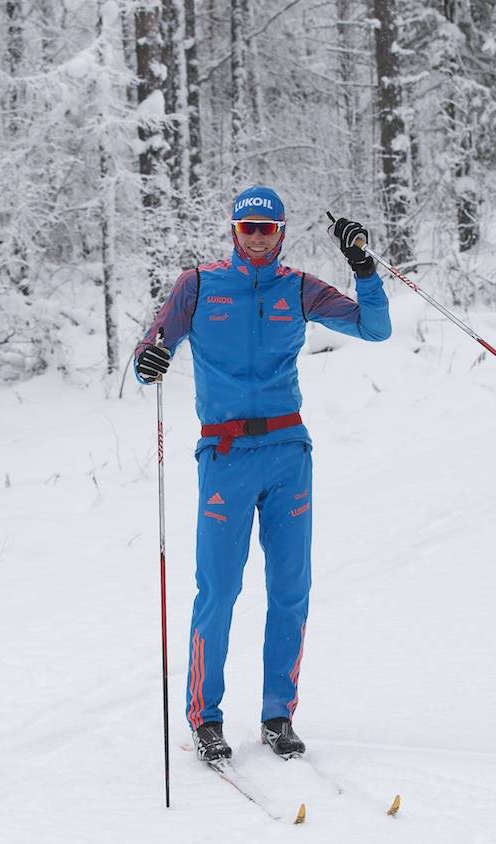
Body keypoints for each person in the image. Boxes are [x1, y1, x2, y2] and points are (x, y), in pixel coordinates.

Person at [133, 185, 391, 763]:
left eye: (267, 228)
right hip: (224, 458)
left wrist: (364, 268)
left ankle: (279, 715)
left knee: (291, 591)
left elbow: (375, 329)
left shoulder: (298, 288)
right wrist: (148, 362)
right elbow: (149, 356)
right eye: (247, 228)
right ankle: (206, 719)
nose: (256, 237)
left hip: (287, 454)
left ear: (281, 232)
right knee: (219, 590)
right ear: (233, 232)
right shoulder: (197, 287)